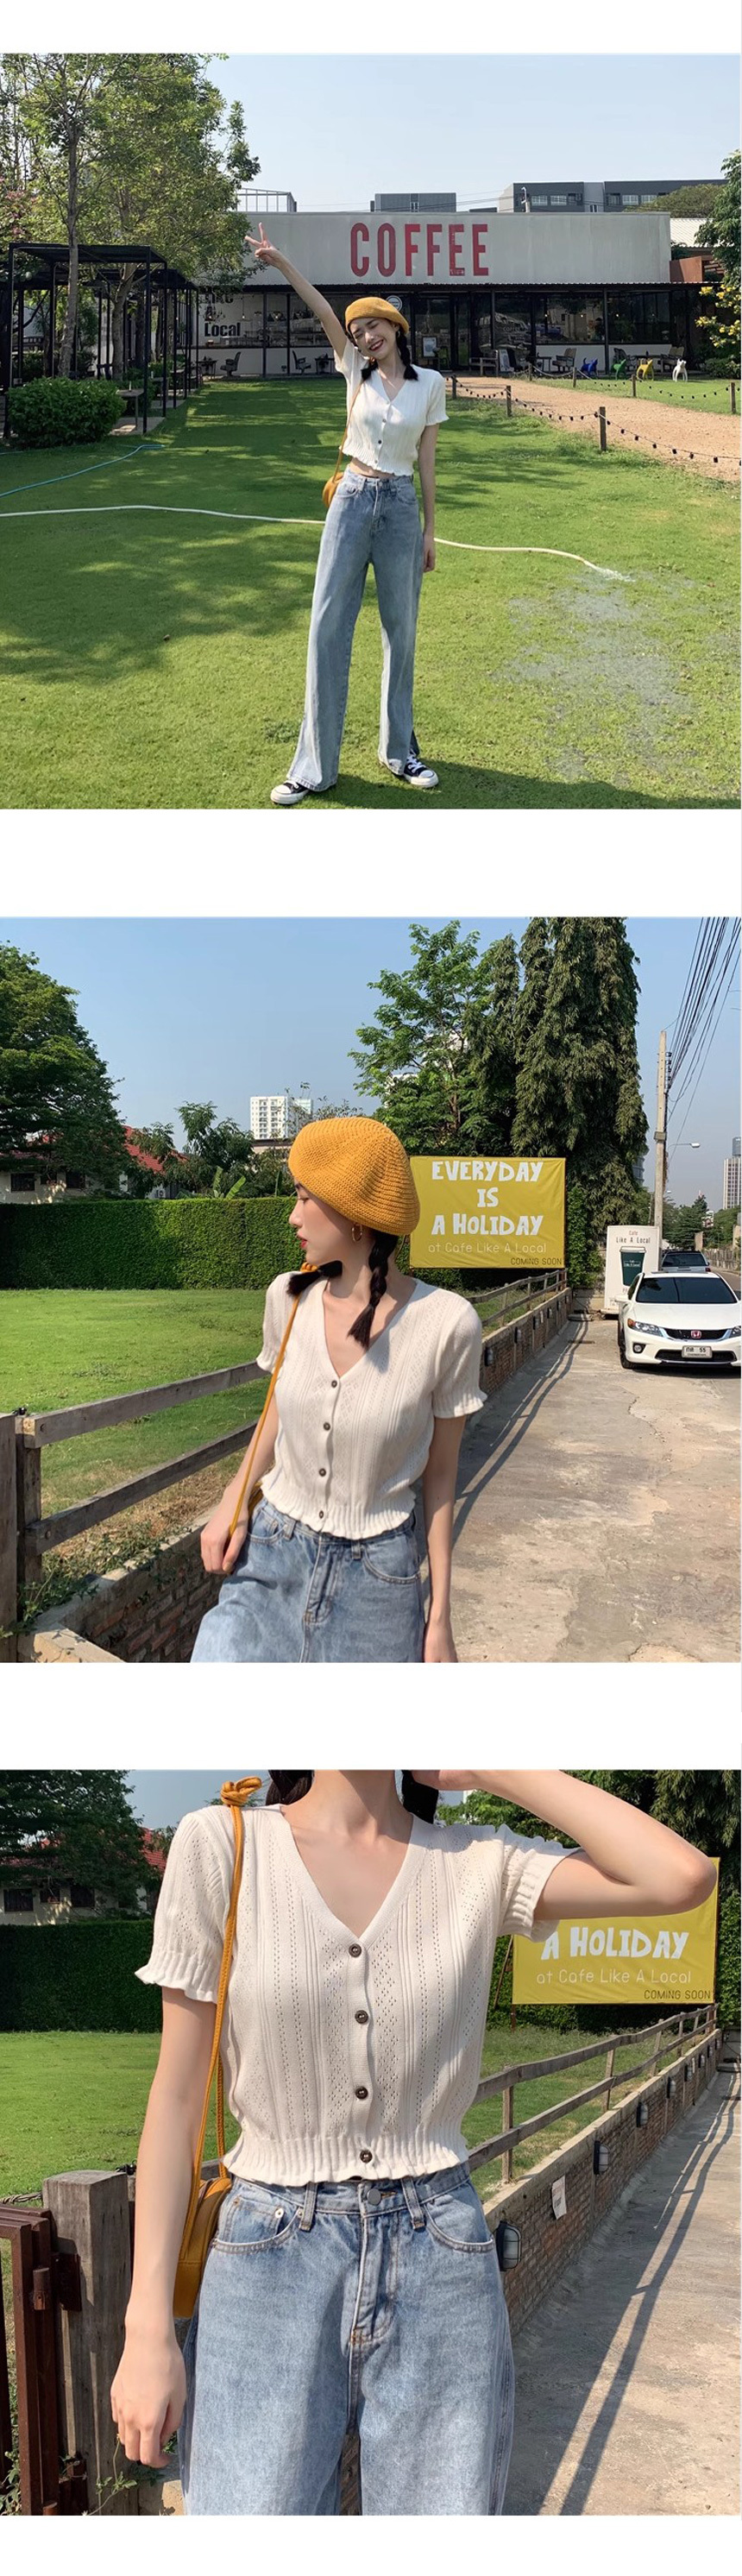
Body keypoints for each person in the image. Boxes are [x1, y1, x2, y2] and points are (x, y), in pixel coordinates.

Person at [110, 1766, 716, 2515]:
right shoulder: (224, 1845)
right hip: (265, 2265)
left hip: (442, 2259)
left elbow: (680, 1876)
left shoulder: (478, 1861)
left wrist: (485, 1762)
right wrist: (146, 2328)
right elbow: (174, 2100)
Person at [191, 1116, 484, 1664]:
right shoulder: (288, 1298)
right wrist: (234, 1499)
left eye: (305, 1198)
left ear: (355, 1215)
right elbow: (275, 1413)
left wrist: (440, 1614)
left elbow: (442, 1476)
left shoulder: (448, 1325)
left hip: (379, 1583)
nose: (292, 1215)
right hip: (272, 1555)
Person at [243, 224, 447, 806]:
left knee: (401, 631)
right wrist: (280, 261)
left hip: (402, 508)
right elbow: (321, 308)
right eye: (358, 331)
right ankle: (313, 767)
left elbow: (427, 462)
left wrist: (432, 530)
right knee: (327, 627)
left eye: (374, 326)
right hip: (353, 500)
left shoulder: (431, 385)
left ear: (396, 328)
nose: (365, 335)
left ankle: (400, 751)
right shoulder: (353, 369)